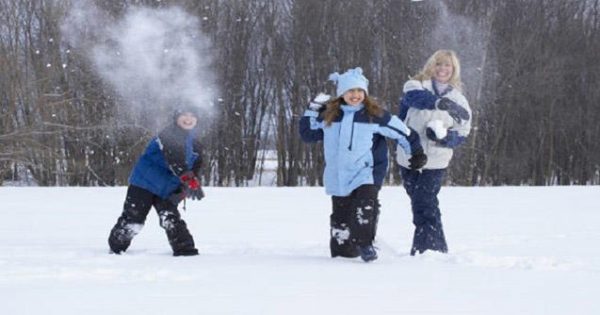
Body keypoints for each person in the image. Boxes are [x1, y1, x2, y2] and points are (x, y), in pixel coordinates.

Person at [299, 67, 427, 262]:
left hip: (365, 172)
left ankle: (365, 243)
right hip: (338, 174)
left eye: (359, 91)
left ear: (365, 93)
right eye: (350, 91)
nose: (355, 95)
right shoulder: (329, 116)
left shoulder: (374, 115)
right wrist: (312, 109)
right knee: (341, 217)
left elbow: (403, 132)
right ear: (342, 93)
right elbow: (307, 134)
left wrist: (415, 152)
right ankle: (343, 248)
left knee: (364, 205)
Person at [395, 49, 472, 255]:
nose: (443, 69)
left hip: (436, 160)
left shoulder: (459, 99)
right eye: (439, 64)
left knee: (425, 202)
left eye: (448, 65)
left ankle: (428, 249)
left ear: (454, 70)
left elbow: (463, 131)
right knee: (419, 203)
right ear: (431, 66)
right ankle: (432, 249)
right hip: (409, 157)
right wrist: (440, 104)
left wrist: (445, 138)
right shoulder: (416, 85)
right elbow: (412, 101)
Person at [108, 105, 205, 256]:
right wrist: (188, 179)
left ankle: (186, 252)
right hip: (144, 183)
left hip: (168, 187)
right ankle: (116, 248)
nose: (188, 119)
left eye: (192, 115)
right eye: (184, 114)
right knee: (134, 218)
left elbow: (196, 167)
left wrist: (192, 184)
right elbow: (176, 160)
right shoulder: (168, 134)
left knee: (170, 218)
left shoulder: (196, 144)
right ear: (176, 117)